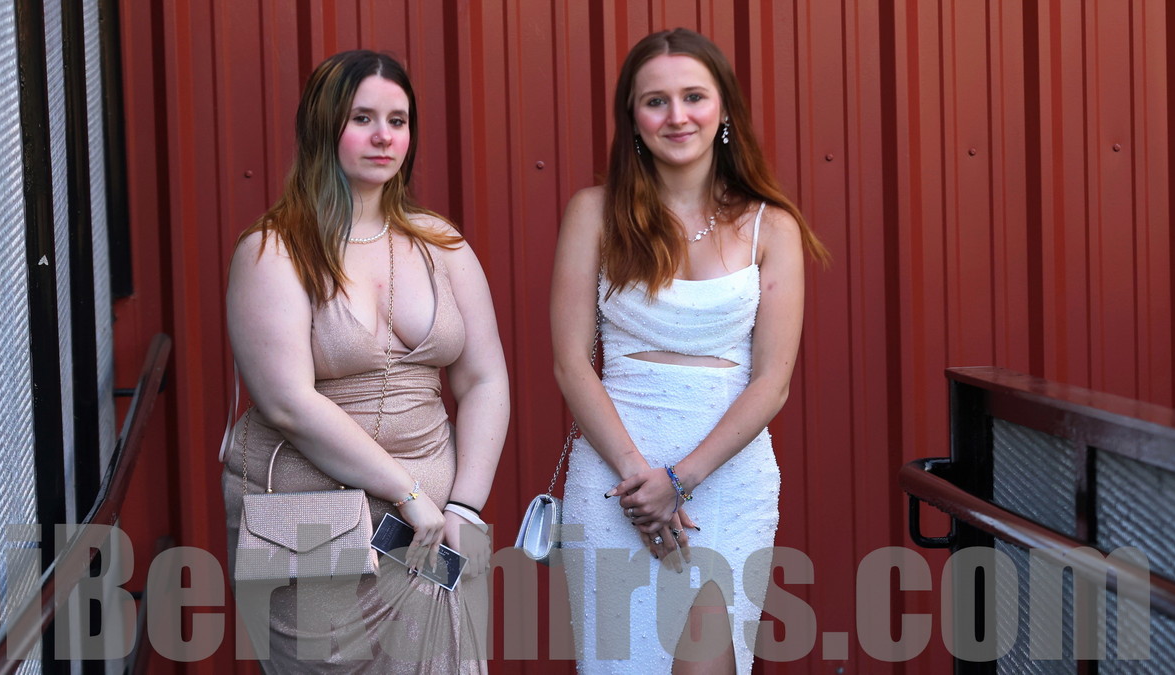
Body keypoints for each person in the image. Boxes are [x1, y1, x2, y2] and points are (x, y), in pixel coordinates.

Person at [551, 28, 829, 673]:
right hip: (617, 475)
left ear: (724, 108)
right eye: (656, 101)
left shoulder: (771, 226)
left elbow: (772, 382)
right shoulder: (593, 214)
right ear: (633, 117)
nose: (677, 116)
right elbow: (570, 363)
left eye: (694, 97)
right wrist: (640, 483)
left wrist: (681, 481)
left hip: (726, 476)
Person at [222, 50, 508, 672]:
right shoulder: (273, 250)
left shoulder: (442, 245)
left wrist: (464, 505)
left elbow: (485, 377)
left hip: (436, 530)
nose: (384, 137)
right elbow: (288, 404)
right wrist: (408, 493)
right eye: (362, 118)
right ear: (323, 127)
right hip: (315, 525)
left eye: (398, 121)